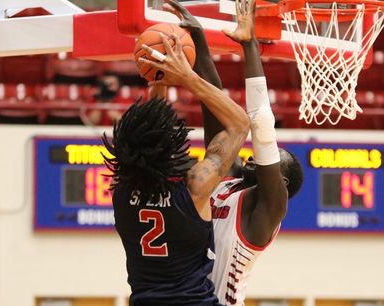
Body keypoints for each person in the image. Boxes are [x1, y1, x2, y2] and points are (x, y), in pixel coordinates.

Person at [161, 0, 304, 305]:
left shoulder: (268, 207)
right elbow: (214, 105)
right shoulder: (227, 178)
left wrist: (250, 45)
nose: (255, 156)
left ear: (283, 183)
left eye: (273, 160)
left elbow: (262, 124)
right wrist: (197, 38)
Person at [102, 30, 250, 305]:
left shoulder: (121, 193)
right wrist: (186, 76)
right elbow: (240, 124)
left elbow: (151, 137)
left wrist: (158, 82)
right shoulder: (195, 186)